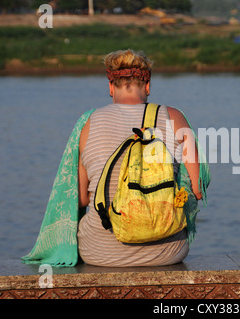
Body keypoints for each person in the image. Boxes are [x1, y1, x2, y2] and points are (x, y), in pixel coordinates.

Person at [22, 49, 209, 268]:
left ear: (110, 87)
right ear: (148, 86)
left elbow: (81, 199)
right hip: (166, 252)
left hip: (99, 253)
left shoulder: (88, 122)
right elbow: (197, 190)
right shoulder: (174, 117)